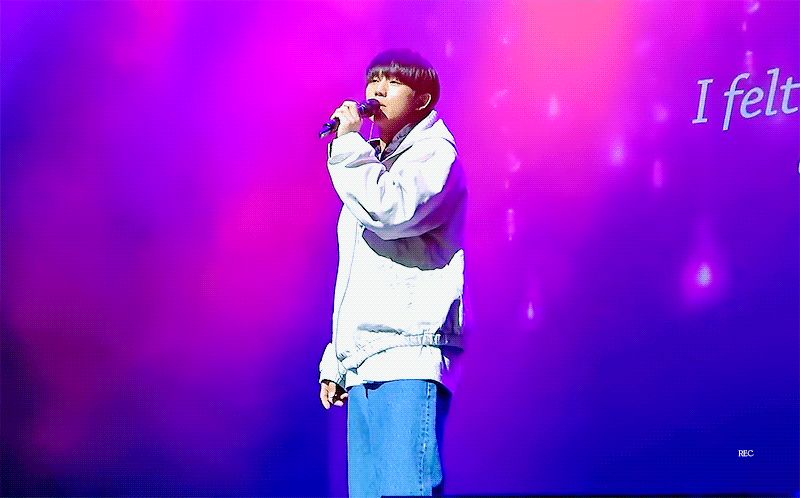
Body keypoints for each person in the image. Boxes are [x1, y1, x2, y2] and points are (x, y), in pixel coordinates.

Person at [318, 49, 467, 497]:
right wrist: (339, 357)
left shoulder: (434, 154)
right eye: (373, 80)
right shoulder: (376, 163)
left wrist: (348, 147)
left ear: (422, 99)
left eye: (393, 82)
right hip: (366, 362)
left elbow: (391, 211)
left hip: (408, 356)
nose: (377, 90)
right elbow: (359, 271)